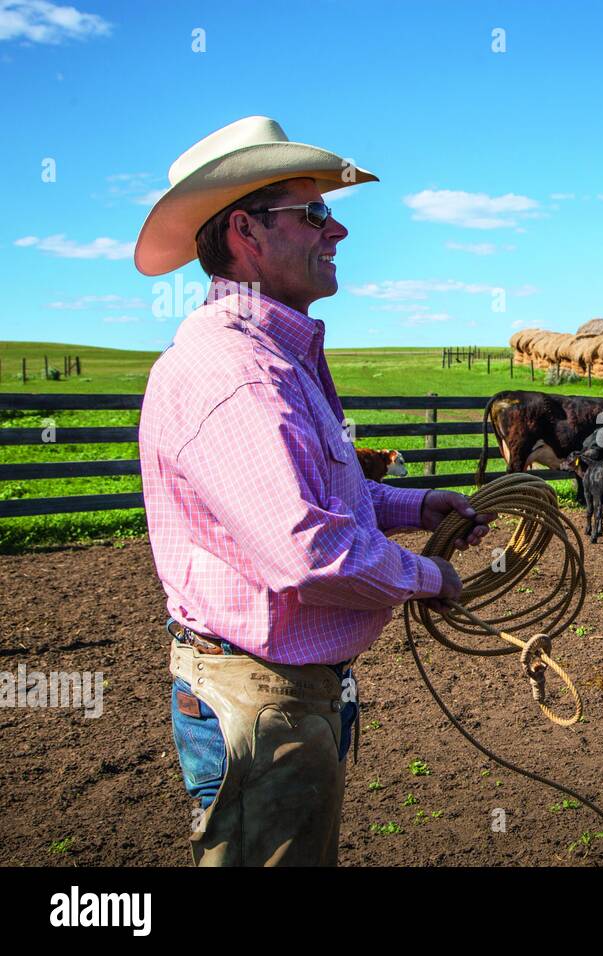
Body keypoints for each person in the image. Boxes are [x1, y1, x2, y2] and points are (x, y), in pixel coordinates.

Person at [134, 116, 492, 865]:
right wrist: (428, 576)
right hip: (262, 703)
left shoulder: (272, 358)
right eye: (315, 213)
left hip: (282, 694)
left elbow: (314, 494)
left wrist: (415, 508)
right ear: (247, 232)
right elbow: (307, 549)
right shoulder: (237, 375)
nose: (338, 232)